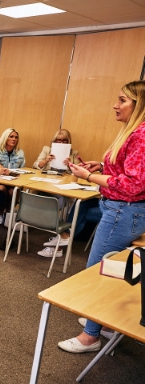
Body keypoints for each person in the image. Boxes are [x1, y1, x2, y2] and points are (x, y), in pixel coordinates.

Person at [58, 80, 145, 353]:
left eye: (122, 100)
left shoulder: (141, 135)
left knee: (96, 272)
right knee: (106, 268)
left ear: (139, 105)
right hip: (120, 209)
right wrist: (102, 165)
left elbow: (133, 184)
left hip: (123, 210)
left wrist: (89, 176)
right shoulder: (133, 132)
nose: (115, 105)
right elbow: (128, 171)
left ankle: (90, 336)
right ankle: (104, 324)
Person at [37, 198, 102, 258]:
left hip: (108, 209)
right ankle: (63, 238)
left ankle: (61, 241)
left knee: (80, 212)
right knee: (81, 204)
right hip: (104, 201)